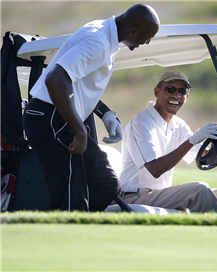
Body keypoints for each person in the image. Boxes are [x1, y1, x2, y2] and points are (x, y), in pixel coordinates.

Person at [23, 4, 160, 211]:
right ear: (133, 30)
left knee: (104, 185)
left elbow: (76, 83)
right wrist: (79, 130)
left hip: (59, 116)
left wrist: (105, 113)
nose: (146, 43)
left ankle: (70, 217)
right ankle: (65, 225)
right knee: (71, 197)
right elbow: (55, 80)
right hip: (50, 118)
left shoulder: (102, 31)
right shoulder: (97, 42)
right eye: (147, 38)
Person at [120, 70, 217, 213]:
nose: (176, 95)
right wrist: (192, 140)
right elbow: (155, 169)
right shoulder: (141, 123)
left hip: (161, 194)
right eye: (170, 89)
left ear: (187, 96)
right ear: (157, 91)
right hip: (135, 197)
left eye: (182, 91)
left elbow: (203, 157)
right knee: (199, 190)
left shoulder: (179, 125)